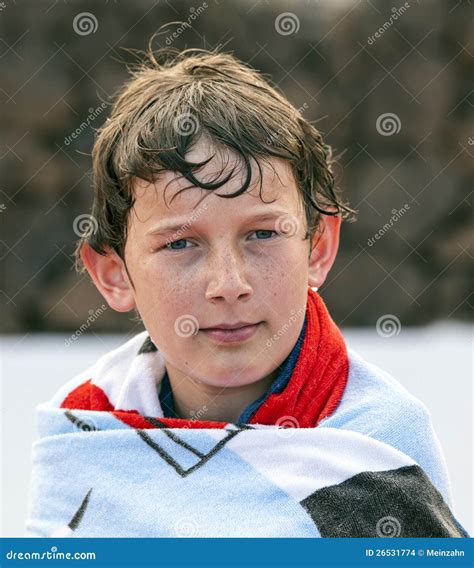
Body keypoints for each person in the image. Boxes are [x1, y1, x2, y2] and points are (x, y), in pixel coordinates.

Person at [26, 47, 468, 538]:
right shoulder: (87, 430)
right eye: (179, 243)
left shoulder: (380, 444)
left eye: (262, 234)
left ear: (317, 249)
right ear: (114, 275)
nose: (229, 284)